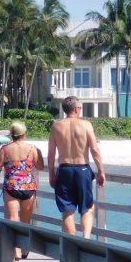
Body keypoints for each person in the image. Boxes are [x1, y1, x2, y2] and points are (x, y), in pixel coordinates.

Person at [48, 95, 105, 238]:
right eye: (80, 107)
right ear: (75, 108)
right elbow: (95, 150)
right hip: (83, 169)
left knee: (67, 210)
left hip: (64, 169)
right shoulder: (86, 125)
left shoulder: (56, 126)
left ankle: (73, 244)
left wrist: (51, 173)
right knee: (87, 208)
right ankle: (85, 239)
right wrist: (101, 171)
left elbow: (51, 153)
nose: (81, 109)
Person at [0, 121, 44, 259]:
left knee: (13, 219)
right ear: (24, 133)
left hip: (11, 187)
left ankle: (16, 251)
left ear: (11, 134)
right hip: (28, 187)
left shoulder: (5, 149)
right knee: (26, 220)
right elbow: (40, 166)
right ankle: (25, 248)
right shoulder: (32, 149)